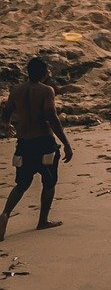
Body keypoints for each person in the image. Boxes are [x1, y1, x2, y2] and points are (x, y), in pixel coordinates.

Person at [1, 57, 73, 241]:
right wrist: (65, 143)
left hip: (24, 143)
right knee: (49, 182)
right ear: (44, 72)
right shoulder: (46, 90)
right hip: (43, 142)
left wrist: (6, 124)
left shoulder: (16, 90)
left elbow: (7, 110)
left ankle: (5, 214)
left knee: (22, 183)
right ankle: (43, 221)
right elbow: (51, 116)